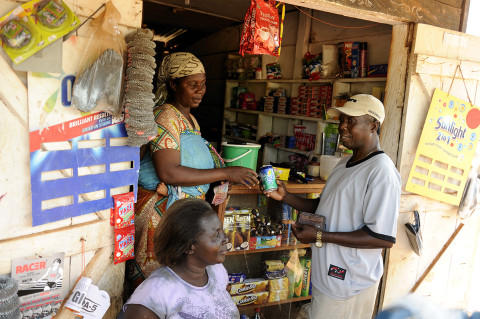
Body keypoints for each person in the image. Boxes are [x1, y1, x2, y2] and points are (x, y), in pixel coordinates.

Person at [126, 52, 259, 292]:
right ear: (173, 84)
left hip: (179, 213)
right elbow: (169, 173)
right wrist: (226, 173)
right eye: (192, 84)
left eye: (203, 84)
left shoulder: (190, 120)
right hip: (161, 213)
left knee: (178, 288)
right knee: (157, 289)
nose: (200, 90)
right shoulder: (166, 116)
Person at [264, 94, 401, 319]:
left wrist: (319, 236)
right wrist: (286, 197)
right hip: (328, 276)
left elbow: (382, 238)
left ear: (373, 125)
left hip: (349, 282)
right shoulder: (344, 162)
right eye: (342, 120)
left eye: (351, 121)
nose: (342, 127)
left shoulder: (381, 172)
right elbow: (324, 206)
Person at [123, 198, 239, 319]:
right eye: (217, 235)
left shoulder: (216, 271)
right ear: (189, 247)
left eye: (222, 231)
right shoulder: (154, 294)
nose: (225, 238)